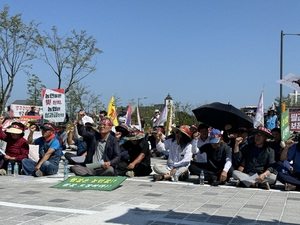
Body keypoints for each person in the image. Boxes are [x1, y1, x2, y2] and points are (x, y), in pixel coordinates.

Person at [70, 111, 120, 176]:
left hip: (104, 168)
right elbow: (82, 132)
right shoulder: (93, 136)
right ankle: (92, 175)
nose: (102, 126)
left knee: (110, 170)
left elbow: (117, 156)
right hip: (91, 168)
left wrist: (109, 163)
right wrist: (80, 119)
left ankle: (90, 176)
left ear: (110, 127)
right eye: (100, 125)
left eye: (104, 125)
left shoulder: (113, 140)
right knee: (75, 168)